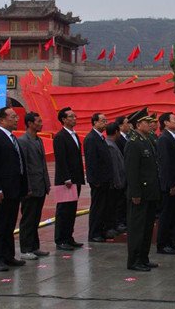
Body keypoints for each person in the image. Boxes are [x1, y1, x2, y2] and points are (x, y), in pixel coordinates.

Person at [0, 107, 28, 271]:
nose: (17, 119)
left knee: (9, 224)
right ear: (2, 120)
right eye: (13, 117)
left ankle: (8, 255)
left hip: (14, 189)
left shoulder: (12, 138)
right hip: (2, 191)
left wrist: (24, 187)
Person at [125, 109, 160, 271]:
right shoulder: (133, 142)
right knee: (137, 228)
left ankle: (143, 258)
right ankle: (134, 261)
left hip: (150, 192)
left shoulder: (146, 140)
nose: (150, 125)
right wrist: (135, 193)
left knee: (147, 228)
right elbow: (132, 171)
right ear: (138, 125)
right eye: (147, 122)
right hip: (140, 193)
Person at [18, 112, 50, 260]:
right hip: (30, 187)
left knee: (36, 218)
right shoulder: (23, 141)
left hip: (40, 185)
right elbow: (23, 166)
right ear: (30, 123)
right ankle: (25, 249)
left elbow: (42, 164)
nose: (41, 124)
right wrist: (27, 187)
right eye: (38, 121)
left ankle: (34, 246)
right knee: (28, 219)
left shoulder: (38, 140)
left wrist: (46, 183)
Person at [53, 107, 85, 251]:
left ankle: (69, 237)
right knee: (63, 211)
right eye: (71, 116)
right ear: (64, 120)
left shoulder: (74, 135)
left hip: (75, 178)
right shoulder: (60, 137)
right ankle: (61, 239)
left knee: (72, 210)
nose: (74, 118)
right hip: (65, 181)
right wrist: (66, 177)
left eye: (74, 116)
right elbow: (61, 159)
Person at [156, 112, 175, 254]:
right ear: (166, 123)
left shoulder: (174, 137)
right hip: (169, 184)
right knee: (166, 215)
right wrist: (171, 184)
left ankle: (170, 241)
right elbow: (165, 164)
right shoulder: (164, 139)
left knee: (173, 214)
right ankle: (162, 244)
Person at [84, 113, 114, 242]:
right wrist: (95, 180)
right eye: (102, 121)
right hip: (98, 181)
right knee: (97, 207)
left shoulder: (100, 137)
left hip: (105, 179)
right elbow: (91, 161)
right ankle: (94, 233)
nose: (105, 123)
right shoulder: (91, 138)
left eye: (106, 121)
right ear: (95, 122)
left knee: (104, 207)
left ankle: (102, 230)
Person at [104, 122, 127, 237]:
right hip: (116, 182)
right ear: (117, 132)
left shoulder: (112, 144)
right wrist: (118, 182)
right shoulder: (110, 145)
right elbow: (115, 167)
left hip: (118, 181)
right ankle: (112, 226)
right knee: (114, 205)